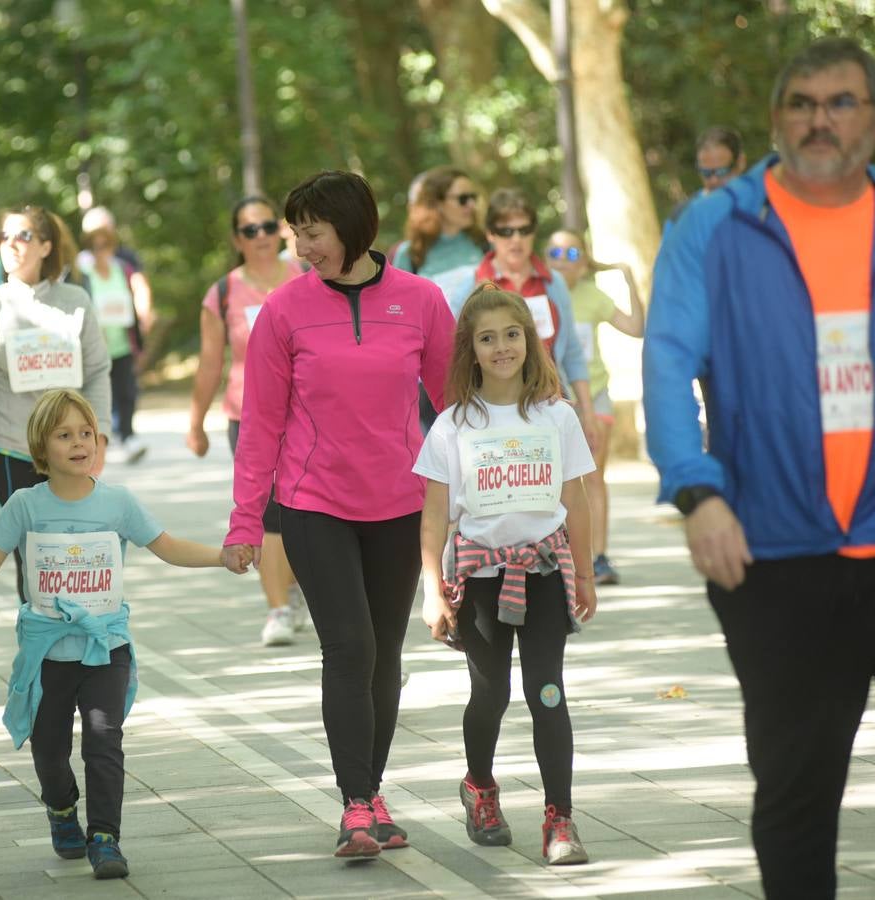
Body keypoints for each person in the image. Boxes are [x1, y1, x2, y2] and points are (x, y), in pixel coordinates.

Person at [644, 37, 875, 899]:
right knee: (798, 792)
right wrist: (697, 490)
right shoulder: (715, 226)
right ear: (776, 120)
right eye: (802, 103)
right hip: (773, 556)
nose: (820, 120)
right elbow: (666, 362)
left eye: (840, 103)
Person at [0, 388, 248, 880]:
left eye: (86, 434)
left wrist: (221, 555)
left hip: (105, 647)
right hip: (49, 653)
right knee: (49, 750)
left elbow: (167, 546)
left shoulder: (117, 502)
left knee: (104, 740)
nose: (79, 443)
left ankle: (105, 837)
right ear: (41, 448)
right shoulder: (25, 505)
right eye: (64, 435)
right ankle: (60, 809)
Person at [225, 171, 456, 859]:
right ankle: (356, 806)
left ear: (354, 230)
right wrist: (244, 522)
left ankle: (372, 790)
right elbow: (262, 425)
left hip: (398, 505)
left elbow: (452, 406)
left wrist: (488, 494)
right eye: (296, 235)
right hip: (312, 504)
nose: (301, 248)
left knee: (385, 654)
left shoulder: (421, 300)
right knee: (349, 646)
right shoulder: (286, 311)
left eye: (312, 234)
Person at [415, 283, 597, 867]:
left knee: (547, 691)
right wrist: (431, 588)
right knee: (489, 693)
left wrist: (585, 575)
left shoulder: (557, 417)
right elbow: (436, 513)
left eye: (512, 335)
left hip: (543, 574)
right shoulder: (451, 425)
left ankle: (559, 817)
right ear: (469, 349)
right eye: (487, 338)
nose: (502, 348)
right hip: (481, 581)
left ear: (530, 340)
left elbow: (579, 499)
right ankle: (480, 787)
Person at [0, 206, 112, 603]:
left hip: (72, 450)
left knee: (68, 548)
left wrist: (100, 437)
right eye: (5, 236)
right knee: (32, 553)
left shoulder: (75, 300)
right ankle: (40, 643)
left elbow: (96, 372)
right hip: (9, 450)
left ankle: (75, 632)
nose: (11, 244)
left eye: (23, 235)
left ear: (46, 246)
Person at [187, 197, 307, 647]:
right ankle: (278, 607)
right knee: (272, 512)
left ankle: (294, 588)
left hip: (308, 413)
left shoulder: (306, 278)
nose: (259, 236)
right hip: (250, 415)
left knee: (304, 509)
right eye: (248, 230)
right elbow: (210, 363)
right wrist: (195, 423)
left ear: (280, 230)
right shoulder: (223, 294)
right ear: (237, 240)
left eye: (266, 226)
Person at [462, 189, 599, 453]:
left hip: (551, 402)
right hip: (494, 409)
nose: (516, 239)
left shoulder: (553, 283)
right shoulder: (470, 286)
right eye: (505, 231)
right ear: (490, 234)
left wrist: (588, 413)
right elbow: (460, 355)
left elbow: (571, 352)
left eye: (524, 230)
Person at [544, 230, 644, 585]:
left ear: (584, 262)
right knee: (556, 479)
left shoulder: (593, 295)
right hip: (552, 395)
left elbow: (635, 328)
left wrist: (628, 279)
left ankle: (599, 557)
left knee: (593, 475)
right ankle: (565, 555)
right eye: (556, 251)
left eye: (573, 253)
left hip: (596, 393)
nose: (563, 258)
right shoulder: (544, 293)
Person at [79, 213, 151, 465]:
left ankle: (128, 437)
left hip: (122, 344)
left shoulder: (122, 269)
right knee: (97, 396)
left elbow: (137, 292)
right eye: (96, 247)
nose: (101, 251)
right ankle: (96, 443)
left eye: (106, 245)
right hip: (95, 348)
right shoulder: (83, 273)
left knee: (126, 391)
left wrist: (144, 316)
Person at [392, 166, 487, 313]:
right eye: (463, 199)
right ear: (437, 203)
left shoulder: (484, 243)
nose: (471, 205)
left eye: (473, 197)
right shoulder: (410, 254)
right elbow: (400, 312)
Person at [664, 126, 748, 232]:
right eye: (706, 173)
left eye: (721, 172)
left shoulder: (760, 208)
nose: (714, 180)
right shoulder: (680, 216)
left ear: (741, 162)